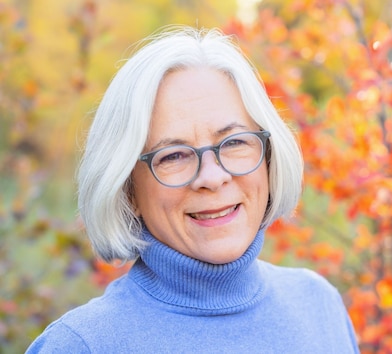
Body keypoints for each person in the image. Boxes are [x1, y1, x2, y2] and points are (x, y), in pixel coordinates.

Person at [26, 26, 359, 353]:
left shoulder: (319, 306)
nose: (212, 178)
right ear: (128, 189)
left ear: (268, 157)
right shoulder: (82, 345)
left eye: (234, 142)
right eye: (173, 155)